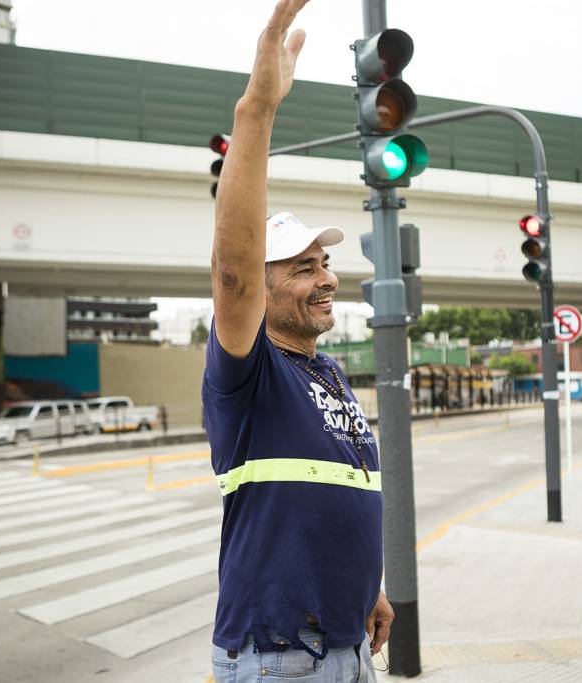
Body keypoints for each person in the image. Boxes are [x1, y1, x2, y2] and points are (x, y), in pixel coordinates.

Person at [202, 1, 392, 680]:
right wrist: (257, 111)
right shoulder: (248, 374)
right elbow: (232, 268)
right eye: (304, 267)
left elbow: (331, 491)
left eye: (326, 263)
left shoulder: (330, 372)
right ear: (262, 284)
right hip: (279, 657)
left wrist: (365, 584)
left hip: (345, 646)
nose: (328, 279)